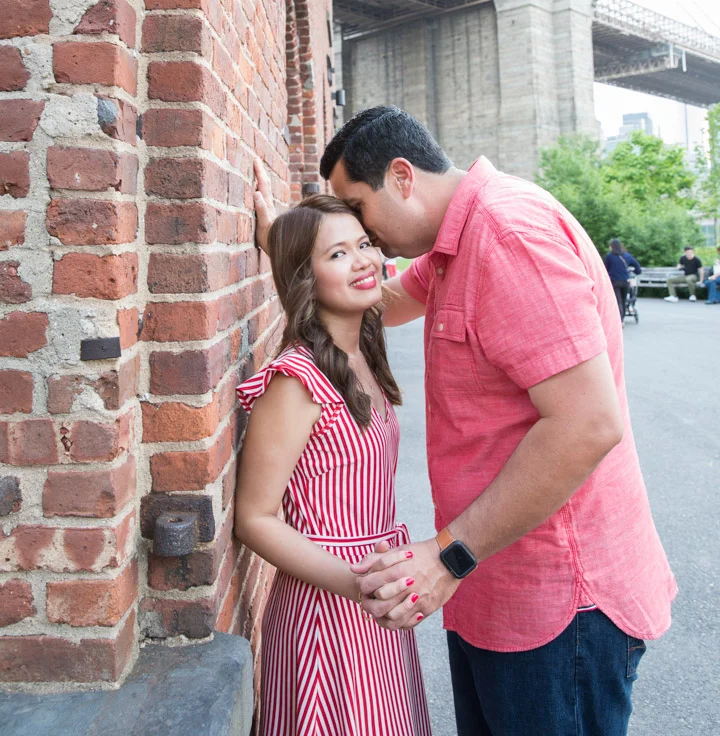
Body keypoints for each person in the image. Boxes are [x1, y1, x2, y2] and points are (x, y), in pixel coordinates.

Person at [255, 106, 676, 736]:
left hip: (556, 607)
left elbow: (588, 424)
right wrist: (293, 254)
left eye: (359, 211)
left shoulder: (506, 236)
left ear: (402, 177)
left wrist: (448, 556)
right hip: (491, 583)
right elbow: (374, 299)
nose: (366, 236)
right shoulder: (456, 242)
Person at [234, 194, 431, 736]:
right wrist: (360, 586)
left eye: (364, 244)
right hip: (326, 612)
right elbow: (255, 518)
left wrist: (277, 235)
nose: (364, 260)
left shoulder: (360, 353)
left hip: (378, 600)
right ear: (305, 277)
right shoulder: (296, 382)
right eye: (338, 254)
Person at [604, 238, 642, 322]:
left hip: (614, 282)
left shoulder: (609, 256)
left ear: (612, 247)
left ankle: (620, 320)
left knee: (618, 301)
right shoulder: (627, 256)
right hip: (625, 281)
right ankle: (622, 319)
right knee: (624, 300)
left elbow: (605, 269)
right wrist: (634, 271)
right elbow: (638, 267)